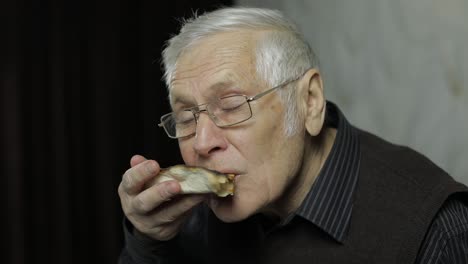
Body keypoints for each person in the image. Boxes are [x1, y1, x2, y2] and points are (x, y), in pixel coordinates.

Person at [117, 6, 468, 264]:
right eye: (186, 116)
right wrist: (149, 242)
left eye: (232, 105)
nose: (202, 143)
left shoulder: (435, 228)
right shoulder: (189, 213)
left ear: (309, 101)